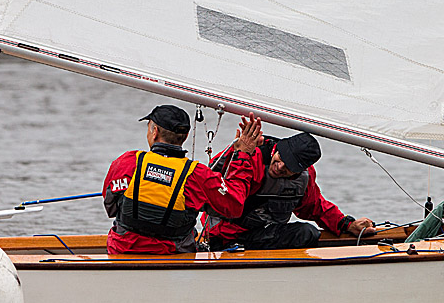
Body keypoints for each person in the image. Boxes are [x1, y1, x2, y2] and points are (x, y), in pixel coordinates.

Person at [102, 104, 262, 255]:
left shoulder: (127, 162)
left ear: (154, 131)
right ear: (185, 137)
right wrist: (242, 155)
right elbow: (234, 205)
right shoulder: (198, 175)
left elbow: (110, 206)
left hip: (122, 253)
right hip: (174, 259)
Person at [205, 131, 376, 250]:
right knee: (307, 234)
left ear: (299, 171)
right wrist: (237, 152)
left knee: (307, 233)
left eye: (288, 168)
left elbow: (315, 207)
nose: (279, 167)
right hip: (225, 235)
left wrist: (347, 224)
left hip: (264, 235)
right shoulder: (252, 155)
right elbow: (210, 179)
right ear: (278, 149)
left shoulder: (304, 178)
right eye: (280, 159)